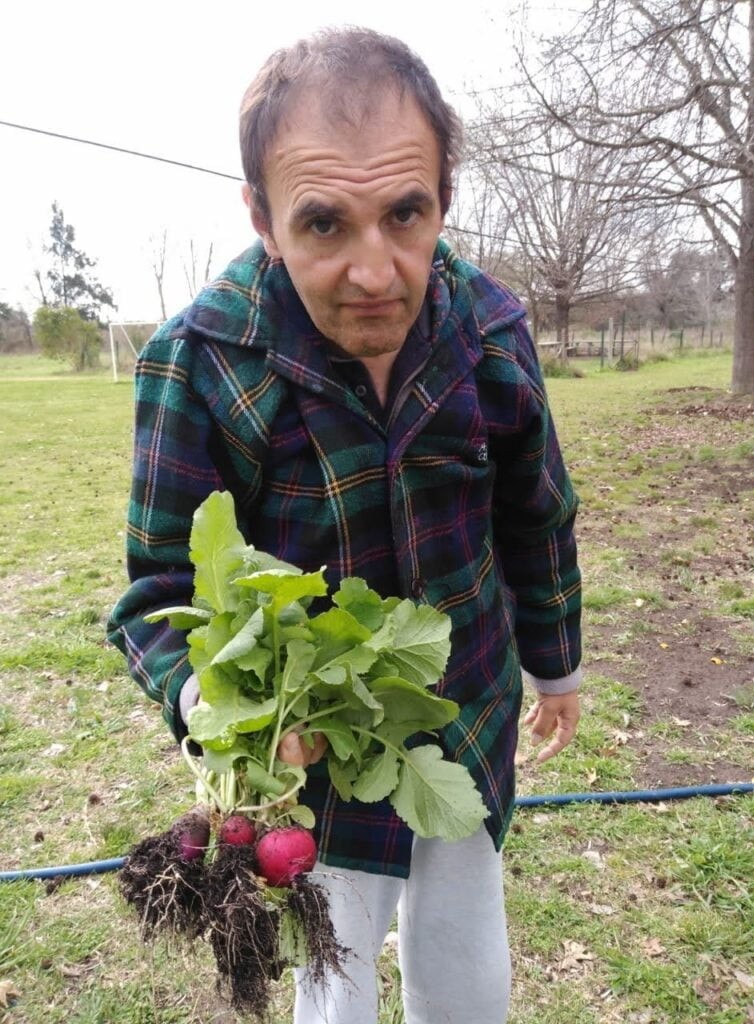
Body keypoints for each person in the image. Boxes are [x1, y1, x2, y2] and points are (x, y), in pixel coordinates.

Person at [108, 26, 582, 1024]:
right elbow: (156, 590)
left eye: (406, 214)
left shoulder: (490, 333)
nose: (376, 272)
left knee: (465, 939)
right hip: (315, 750)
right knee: (338, 960)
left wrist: (556, 663)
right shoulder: (199, 361)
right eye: (325, 224)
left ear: (443, 198)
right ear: (264, 219)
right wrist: (209, 701)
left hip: (462, 712)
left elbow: (536, 515)